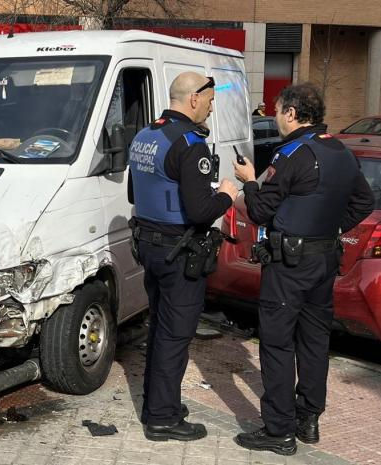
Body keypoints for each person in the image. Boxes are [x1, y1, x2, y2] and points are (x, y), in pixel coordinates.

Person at [232, 83, 374, 456]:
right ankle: (308, 419)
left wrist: (249, 182)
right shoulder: (341, 151)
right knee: (314, 340)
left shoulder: (292, 154)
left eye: (278, 110)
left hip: (289, 263)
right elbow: (365, 202)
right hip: (324, 260)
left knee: (278, 343)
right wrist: (331, 228)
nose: (275, 117)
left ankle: (279, 431)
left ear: (292, 113)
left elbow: (260, 211)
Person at [128, 71, 239, 442]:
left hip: (150, 246)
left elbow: (134, 193)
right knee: (175, 336)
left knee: (161, 329)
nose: (211, 106)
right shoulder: (190, 143)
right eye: (210, 99)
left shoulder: (146, 135)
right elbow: (200, 211)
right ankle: (162, 418)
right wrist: (226, 195)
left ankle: (158, 404)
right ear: (194, 98)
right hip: (179, 252)